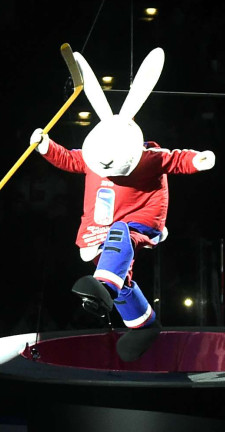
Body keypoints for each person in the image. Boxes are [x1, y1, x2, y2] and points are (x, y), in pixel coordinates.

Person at [31, 47, 215, 362]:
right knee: (119, 273)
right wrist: (46, 146)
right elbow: (70, 159)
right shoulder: (95, 157)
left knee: (119, 239)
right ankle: (144, 325)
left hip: (140, 221)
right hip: (102, 226)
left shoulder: (148, 158)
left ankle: (104, 287)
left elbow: (176, 160)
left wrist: (198, 160)